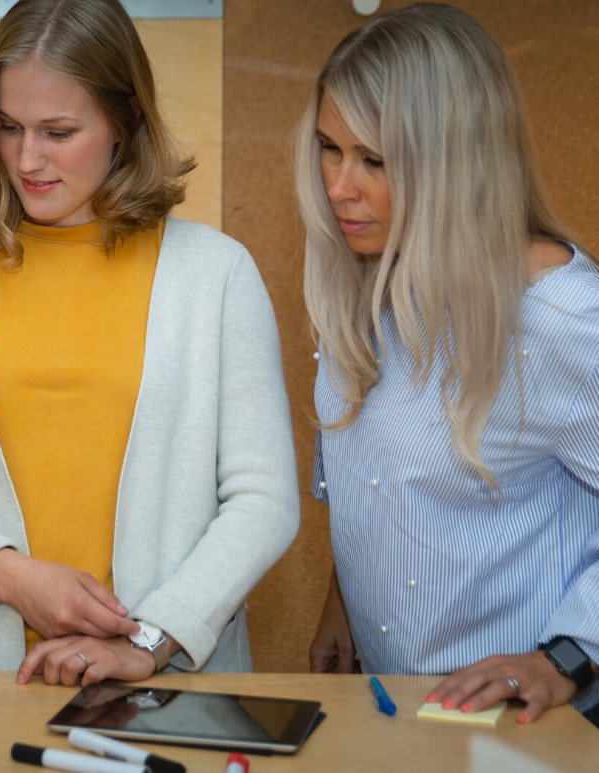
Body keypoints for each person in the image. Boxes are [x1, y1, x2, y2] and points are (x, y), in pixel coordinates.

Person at [0, 0, 298, 685]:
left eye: (58, 132)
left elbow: (264, 501)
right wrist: (12, 577)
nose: (26, 158)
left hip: (165, 684)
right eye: (9, 127)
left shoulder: (217, 274)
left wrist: (148, 641)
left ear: (126, 119)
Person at [299, 3, 599, 727]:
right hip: (405, 711)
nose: (339, 187)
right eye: (330, 149)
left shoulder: (565, 319)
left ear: (457, 160)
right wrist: (343, 599)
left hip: (528, 727)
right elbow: (377, 473)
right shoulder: (366, 278)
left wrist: (568, 657)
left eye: (374, 160)